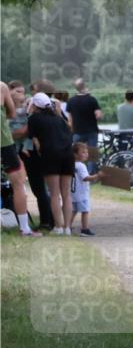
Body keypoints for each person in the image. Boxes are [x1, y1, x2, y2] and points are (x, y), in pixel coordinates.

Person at [28, 92, 76, 235]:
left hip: (50, 154)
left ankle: (58, 227)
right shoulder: (58, 118)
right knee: (66, 194)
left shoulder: (33, 119)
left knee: (54, 194)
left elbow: (36, 142)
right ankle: (67, 228)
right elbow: (69, 130)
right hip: (68, 155)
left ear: (35, 105)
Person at [1, 81, 39, 236]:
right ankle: (24, 228)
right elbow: (12, 114)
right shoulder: (2, 87)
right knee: (18, 183)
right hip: (4, 142)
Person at [66, 79, 101, 173]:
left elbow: (70, 119)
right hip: (92, 131)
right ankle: (90, 173)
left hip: (77, 131)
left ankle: (76, 172)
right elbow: (98, 115)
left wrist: (72, 129)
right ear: (84, 86)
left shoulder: (71, 101)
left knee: (76, 153)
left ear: (76, 88)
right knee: (91, 153)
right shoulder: (92, 99)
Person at [69, 142, 100, 236]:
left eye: (87, 152)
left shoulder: (72, 165)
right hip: (82, 194)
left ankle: (67, 226)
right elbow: (86, 178)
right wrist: (98, 175)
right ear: (75, 154)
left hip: (73, 193)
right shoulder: (81, 166)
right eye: (83, 152)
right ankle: (84, 229)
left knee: (73, 210)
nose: (86, 154)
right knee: (85, 211)